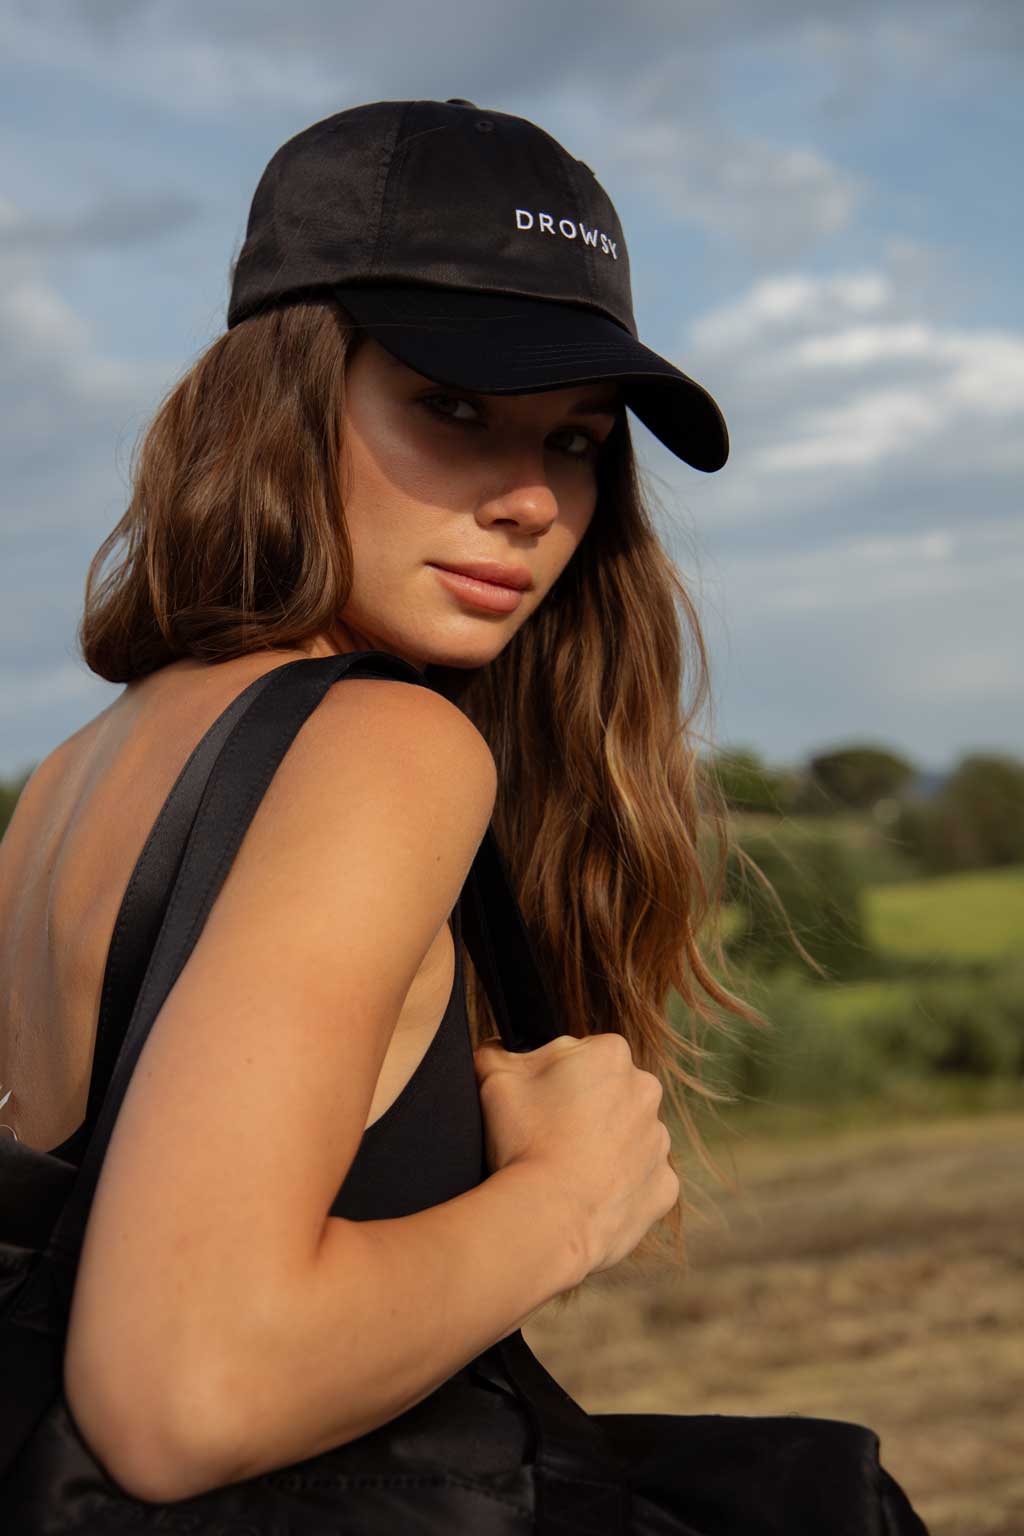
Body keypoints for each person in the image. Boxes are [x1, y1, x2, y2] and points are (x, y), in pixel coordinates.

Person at [0, 98, 930, 1532]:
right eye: (452, 409)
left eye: (573, 440)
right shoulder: (385, 744)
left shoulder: (72, 777)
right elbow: (181, 1394)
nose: (531, 503)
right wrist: (573, 1196)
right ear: (283, 392)